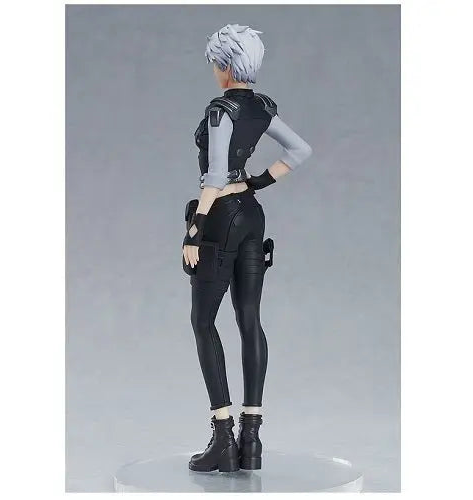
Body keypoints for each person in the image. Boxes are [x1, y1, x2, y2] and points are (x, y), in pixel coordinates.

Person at [183, 24, 312, 473]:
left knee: (203, 321)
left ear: (225, 64)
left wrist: (196, 228)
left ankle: (223, 437)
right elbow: (299, 149)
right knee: (250, 318)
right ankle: (251, 439)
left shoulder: (221, 110)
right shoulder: (261, 108)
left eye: (215, 62)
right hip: (253, 215)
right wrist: (258, 181)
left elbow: (216, 174)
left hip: (222, 215)